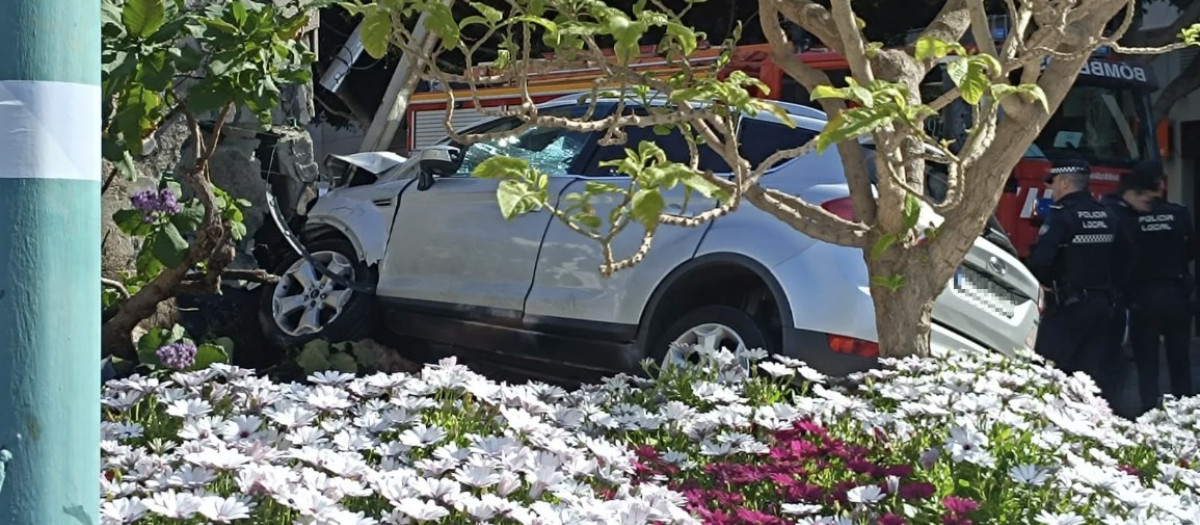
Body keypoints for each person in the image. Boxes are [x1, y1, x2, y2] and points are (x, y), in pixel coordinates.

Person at [1027, 156, 1135, 407]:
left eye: (1053, 183)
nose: (1050, 188)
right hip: (1103, 307)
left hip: (1068, 307)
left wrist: (1045, 283)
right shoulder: (1108, 215)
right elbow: (1128, 257)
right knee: (1088, 379)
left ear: (1065, 183)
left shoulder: (1062, 216)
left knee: (1048, 373)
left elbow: (1041, 263)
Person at [1124, 161, 1195, 413]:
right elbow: (1190, 251)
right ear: (1160, 185)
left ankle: (1148, 413)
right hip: (1175, 294)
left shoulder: (1132, 218)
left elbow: (1125, 257)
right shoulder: (1179, 214)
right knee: (1179, 360)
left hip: (1143, 297)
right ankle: (1185, 413)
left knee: (1147, 362)